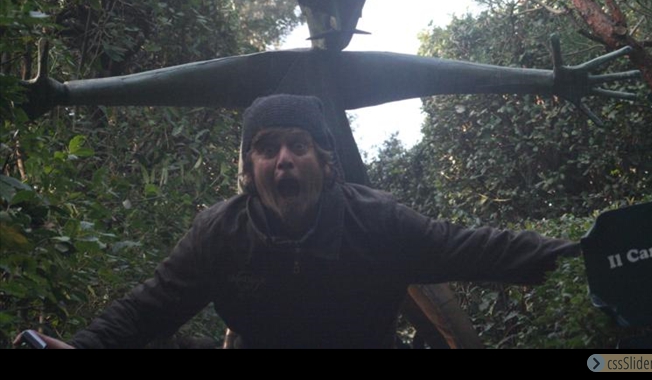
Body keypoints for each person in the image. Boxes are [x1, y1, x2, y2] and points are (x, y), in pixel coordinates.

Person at [16, 94, 580, 349]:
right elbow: (151, 306)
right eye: (267, 149)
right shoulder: (219, 232)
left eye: (298, 146)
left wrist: (575, 251)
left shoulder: (377, 223)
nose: (283, 160)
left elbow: (474, 248)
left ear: (325, 163)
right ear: (249, 169)